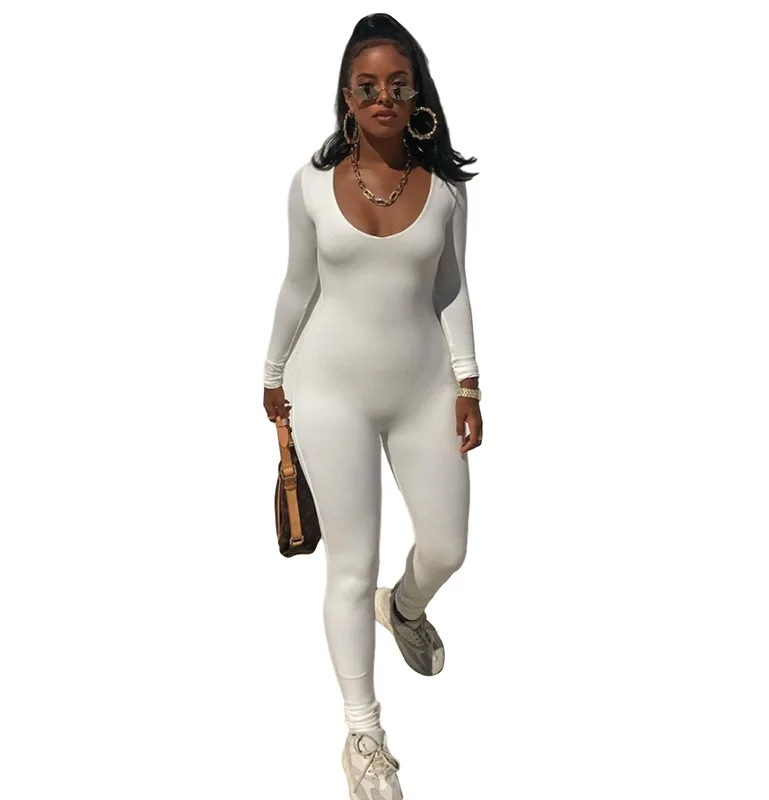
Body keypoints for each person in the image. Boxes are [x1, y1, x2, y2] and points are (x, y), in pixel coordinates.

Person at [262, 13, 483, 800]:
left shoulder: (447, 191)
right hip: (330, 394)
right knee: (350, 567)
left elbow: (451, 287)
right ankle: (364, 737)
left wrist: (468, 381)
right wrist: (272, 372)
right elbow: (298, 284)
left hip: (424, 391)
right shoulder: (310, 185)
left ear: (417, 93)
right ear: (346, 96)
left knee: (448, 547)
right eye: (367, 86)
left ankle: (408, 607)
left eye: (397, 84)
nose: (382, 97)